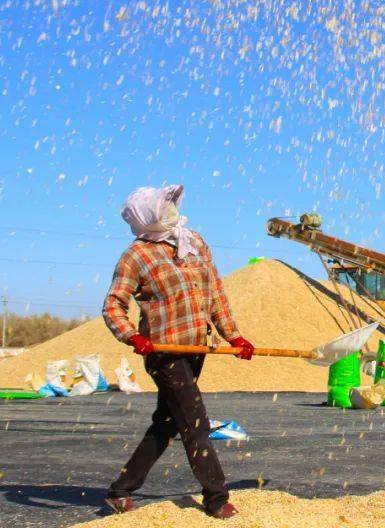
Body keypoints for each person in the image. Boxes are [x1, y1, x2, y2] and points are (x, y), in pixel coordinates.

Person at [102, 185, 254, 519]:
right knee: (195, 422)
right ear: (146, 216)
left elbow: (214, 291)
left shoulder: (194, 241)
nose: (170, 211)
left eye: (171, 204)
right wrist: (132, 337)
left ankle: (120, 490)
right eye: (162, 207)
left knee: (167, 422)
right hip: (163, 353)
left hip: (195, 347)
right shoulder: (136, 256)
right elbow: (113, 305)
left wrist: (234, 337)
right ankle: (216, 497)